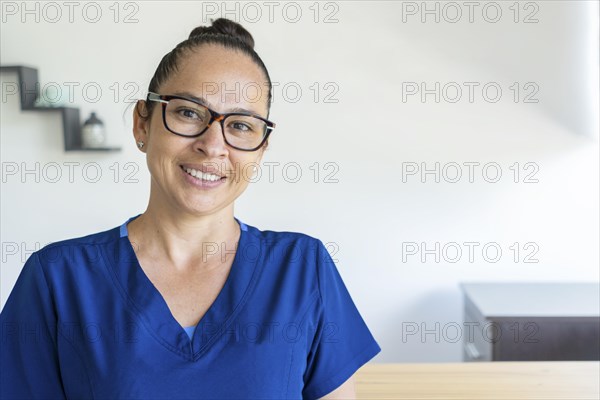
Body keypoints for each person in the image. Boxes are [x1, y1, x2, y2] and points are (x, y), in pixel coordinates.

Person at [0, 18, 381, 399]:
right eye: (188, 113)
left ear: (261, 149)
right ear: (141, 124)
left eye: (242, 126)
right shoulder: (58, 279)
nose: (213, 145)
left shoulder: (302, 268)